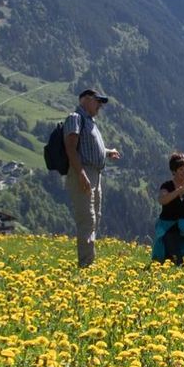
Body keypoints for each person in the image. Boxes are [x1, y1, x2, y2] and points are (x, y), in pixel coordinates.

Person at [63, 88, 121, 268]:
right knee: (87, 218)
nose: (100, 106)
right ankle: (85, 264)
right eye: (97, 102)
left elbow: (89, 149)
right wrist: (81, 174)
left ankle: (88, 260)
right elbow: (71, 148)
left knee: (95, 216)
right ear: (86, 100)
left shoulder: (89, 121)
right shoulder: (75, 118)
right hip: (83, 172)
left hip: (95, 173)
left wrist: (107, 152)